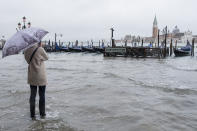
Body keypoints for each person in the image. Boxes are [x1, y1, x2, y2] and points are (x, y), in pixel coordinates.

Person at [24, 42, 48, 120]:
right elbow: (47, 57)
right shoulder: (40, 49)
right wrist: (40, 48)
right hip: (41, 75)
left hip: (32, 75)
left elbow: (28, 61)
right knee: (42, 95)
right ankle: (42, 114)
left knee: (32, 95)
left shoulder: (26, 50)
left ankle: (32, 115)